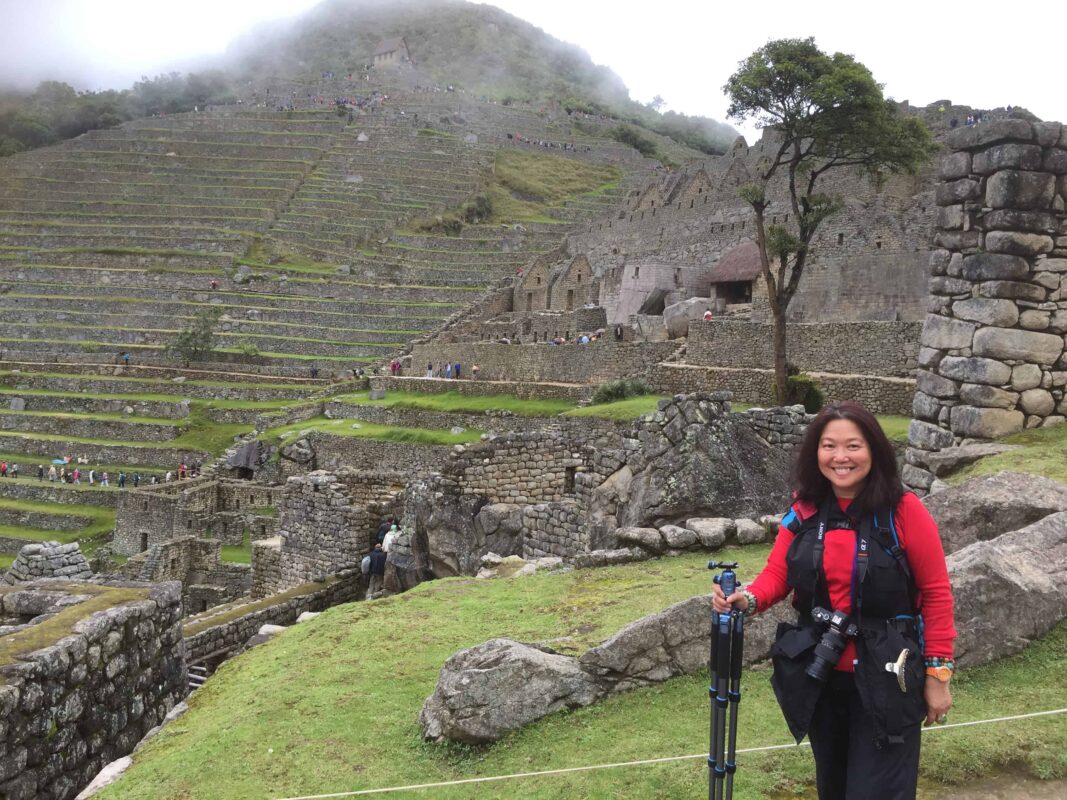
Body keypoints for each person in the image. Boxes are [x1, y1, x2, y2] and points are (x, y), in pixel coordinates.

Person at [713, 401, 955, 800]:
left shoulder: (904, 510)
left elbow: (936, 594)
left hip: (889, 676)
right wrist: (746, 598)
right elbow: (778, 574)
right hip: (823, 677)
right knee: (834, 787)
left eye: (853, 446)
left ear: (874, 451)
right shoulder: (806, 508)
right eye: (829, 446)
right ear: (816, 452)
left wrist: (937, 677)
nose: (840, 457)